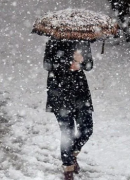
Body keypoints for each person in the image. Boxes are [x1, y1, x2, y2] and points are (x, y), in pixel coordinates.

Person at [43, 38, 94, 180]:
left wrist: (82, 61)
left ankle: (71, 154)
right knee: (68, 132)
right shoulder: (53, 42)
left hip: (80, 93)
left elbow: (89, 65)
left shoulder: (83, 42)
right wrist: (70, 62)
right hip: (59, 93)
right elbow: (47, 65)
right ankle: (68, 169)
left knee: (87, 129)